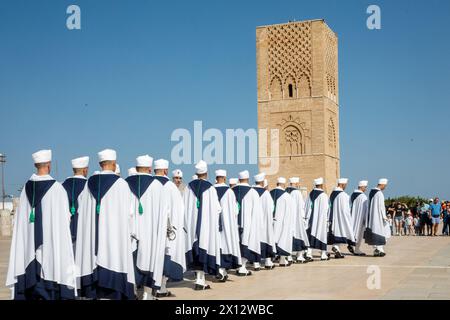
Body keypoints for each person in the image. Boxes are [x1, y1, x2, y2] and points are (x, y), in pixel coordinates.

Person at [6, 150, 77, 300]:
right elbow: (65, 218)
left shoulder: (26, 188)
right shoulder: (57, 189)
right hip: (50, 249)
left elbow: (21, 220)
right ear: (49, 165)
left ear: (35, 165)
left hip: (29, 252)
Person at [75, 149, 135, 299]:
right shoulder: (121, 184)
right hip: (114, 244)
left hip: (92, 245)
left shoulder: (89, 184)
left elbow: (81, 210)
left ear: (100, 164)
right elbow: (130, 214)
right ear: (114, 164)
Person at [184, 160, 221, 290]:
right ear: (206, 173)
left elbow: (185, 205)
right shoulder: (210, 188)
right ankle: (201, 281)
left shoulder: (188, 187)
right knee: (204, 246)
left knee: (195, 248)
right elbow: (217, 209)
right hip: (206, 227)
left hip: (192, 226)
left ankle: (199, 279)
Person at [152, 159, 187, 297]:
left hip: (150, 231)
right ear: (166, 171)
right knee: (164, 258)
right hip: (167, 231)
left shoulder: (149, 184)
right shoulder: (171, 187)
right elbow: (179, 212)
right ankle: (161, 288)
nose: (178, 180)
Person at [232, 170, 263, 274]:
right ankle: (242, 267)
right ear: (248, 179)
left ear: (239, 179)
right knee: (246, 243)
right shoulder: (253, 192)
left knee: (236, 243)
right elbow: (257, 212)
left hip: (234, 223)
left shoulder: (231, 190)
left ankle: (238, 266)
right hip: (248, 224)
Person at [214, 169, 242, 281]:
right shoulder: (229, 192)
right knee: (226, 246)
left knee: (216, 246)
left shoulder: (211, 190)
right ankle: (222, 270)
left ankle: (221, 270)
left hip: (214, 225)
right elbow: (235, 211)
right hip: (227, 226)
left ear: (216, 178)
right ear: (224, 178)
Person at [62, 156, 89, 251]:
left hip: (66, 231)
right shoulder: (89, 186)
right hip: (84, 231)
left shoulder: (62, 186)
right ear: (85, 170)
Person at [253, 172, 277, 269]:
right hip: (265, 222)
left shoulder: (251, 192)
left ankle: (256, 263)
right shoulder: (266, 193)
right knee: (267, 240)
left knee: (254, 242)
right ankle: (267, 262)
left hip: (254, 223)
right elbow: (271, 208)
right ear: (262, 182)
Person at [327, 178, 356, 258]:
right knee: (341, 233)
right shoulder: (343, 195)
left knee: (337, 234)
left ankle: (337, 249)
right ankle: (336, 247)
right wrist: (348, 219)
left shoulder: (332, 194)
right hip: (341, 218)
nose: (346, 186)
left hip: (332, 217)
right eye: (345, 185)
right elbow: (345, 210)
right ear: (342, 184)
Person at [270, 177, 294, 266]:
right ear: (283, 185)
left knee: (271, 240)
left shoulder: (269, 193)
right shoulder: (287, 196)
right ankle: (282, 260)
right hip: (282, 222)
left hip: (270, 222)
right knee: (282, 240)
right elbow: (290, 213)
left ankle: (269, 260)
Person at [364, 178, 390, 257]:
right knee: (382, 231)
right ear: (381, 184)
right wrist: (384, 217)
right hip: (378, 216)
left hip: (372, 216)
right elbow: (381, 206)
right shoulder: (379, 193)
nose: (385, 187)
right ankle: (379, 249)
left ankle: (378, 249)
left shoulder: (371, 192)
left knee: (376, 231)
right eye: (385, 186)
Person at [304, 177, 330, 261]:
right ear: (321, 185)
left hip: (311, 220)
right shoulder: (323, 195)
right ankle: (323, 254)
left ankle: (309, 253)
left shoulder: (310, 194)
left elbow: (307, 207)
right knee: (322, 235)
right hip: (321, 220)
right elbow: (326, 209)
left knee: (310, 235)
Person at [286, 177, 310, 263]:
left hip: (288, 218)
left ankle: (288, 256)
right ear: (296, 183)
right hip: (297, 219)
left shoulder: (286, 191)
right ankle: (299, 256)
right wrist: (303, 218)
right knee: (300, 235)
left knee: (289, 237)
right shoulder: (297, 192)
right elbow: (301, 206)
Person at [349, 180, 369, 256]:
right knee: (359, 234)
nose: (366, 189)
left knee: (353, 232)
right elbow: (365, 209)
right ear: (362, 186)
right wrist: (365, 219)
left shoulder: (352, 195)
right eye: (365, 187)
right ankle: (357, 249)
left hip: (352, 216)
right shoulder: (363, 196)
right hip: (360, 218)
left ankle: (351, 245)